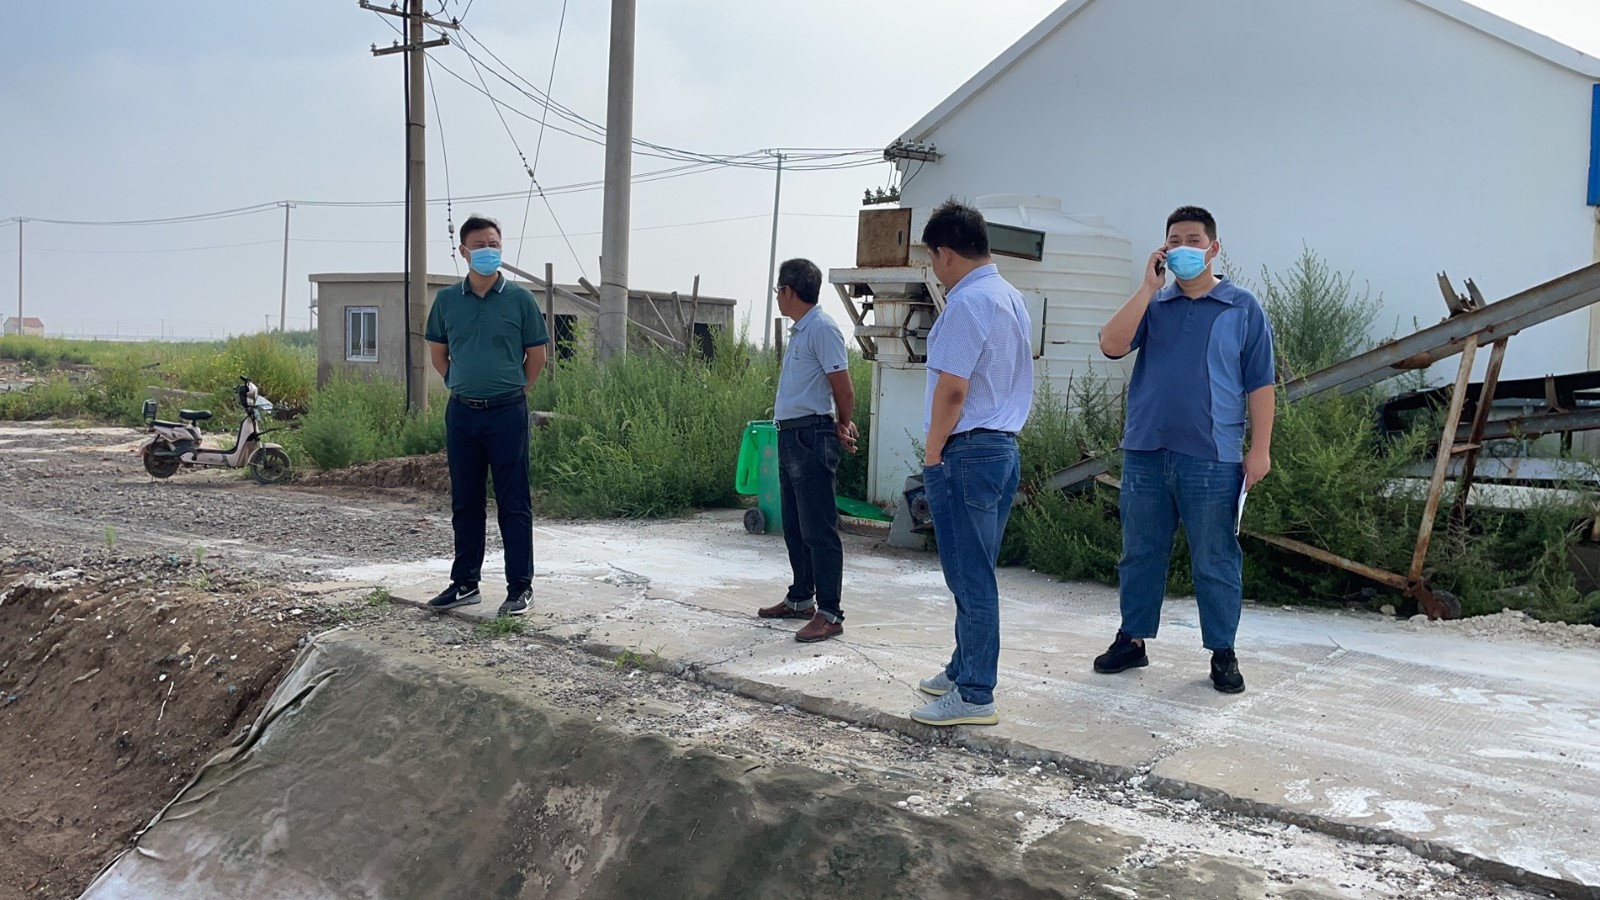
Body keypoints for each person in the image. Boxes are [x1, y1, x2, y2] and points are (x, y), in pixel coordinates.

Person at [1094, 206, 1276, 693]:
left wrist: (1260, 450)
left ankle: (1223, 652)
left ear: (1213, 248)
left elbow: (1261, 384)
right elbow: (1111, 345)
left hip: (1212, 456)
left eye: (1193, 240)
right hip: (1146, 450)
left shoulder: (1243, 308)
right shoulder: (1154, 304)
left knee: (1215, 558)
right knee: (1139, 552)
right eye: (1174, 241)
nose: (1183, 249)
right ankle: (1132, 640)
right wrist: (1146, 288)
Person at [910, 200, 1033, 727]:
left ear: (945, 253)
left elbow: (953, 390)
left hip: (967, 452)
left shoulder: (966, 303)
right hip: (1001, 449)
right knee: (973, 569)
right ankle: (963, 668)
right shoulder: (1010, 297)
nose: (934, 269)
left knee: (970, 577)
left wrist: (933, 452)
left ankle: (976, 693)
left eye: (931, 259)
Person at [423, 215, 550, 618]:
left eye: (494, 244)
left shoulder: (520, 299)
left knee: (514, 502)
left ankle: (520, 588)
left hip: (507, 413)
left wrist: (516, 389)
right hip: (462, 413)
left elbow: (537, 356)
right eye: (479, 245)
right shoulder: (447, 301)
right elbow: (439, 354)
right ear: (464, 251)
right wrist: (461, 382)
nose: (487, 251)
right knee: (466, 501)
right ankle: (465, 583)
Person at [757, 258, 859, 643]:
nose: (777, 298)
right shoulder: (801, 331)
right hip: (791, 436)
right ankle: (801, 598)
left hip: (811, 437)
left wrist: (843, 423)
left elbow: (843, 388)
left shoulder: (822, 328)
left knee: (819, 528)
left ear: (788, 291)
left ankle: (830, 613)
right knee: (796, 525)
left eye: (778, 291)